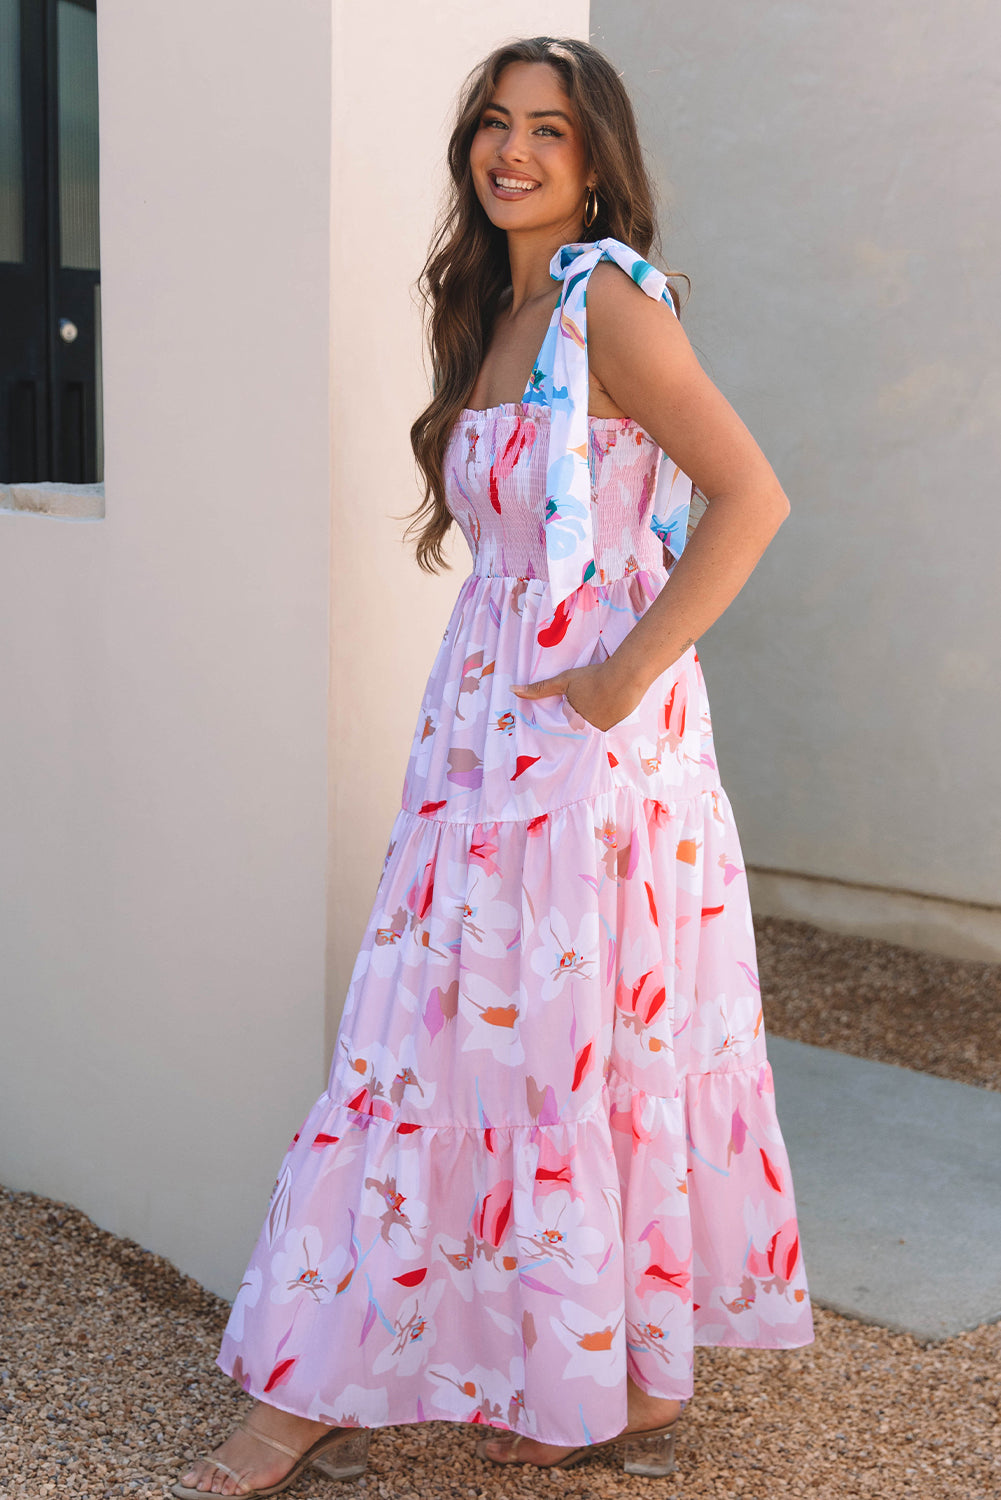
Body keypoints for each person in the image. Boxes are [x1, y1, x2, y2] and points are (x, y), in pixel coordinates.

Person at [173, 34, 813, 1499]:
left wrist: (615, 681)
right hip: (483, 729)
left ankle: (340, 1394)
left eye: (549, 130)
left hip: (592, 746)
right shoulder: (495, 303)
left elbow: (752, 495)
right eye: (494, 123)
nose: (512, 151)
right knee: (453, 1036)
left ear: (596, 162)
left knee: (553, 1036)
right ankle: (607, 1371)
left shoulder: (608, 305)